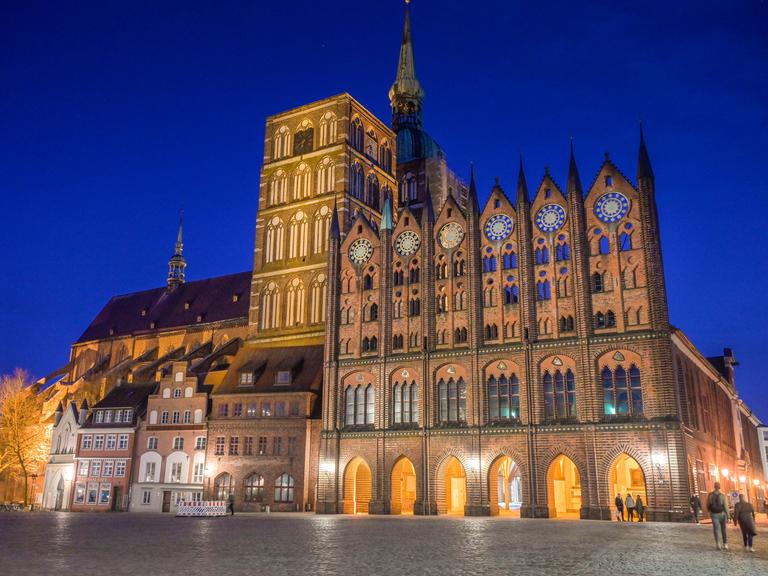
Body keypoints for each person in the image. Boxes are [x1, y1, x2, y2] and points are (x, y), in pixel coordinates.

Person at [707, 482, 729, 550]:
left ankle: (718, 544)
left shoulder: (710, 495)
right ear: (719, 487)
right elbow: (725, 506)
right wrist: (728, 515)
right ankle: (725, 544)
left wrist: (710, 512)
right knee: (723, 529)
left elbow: (708, 504)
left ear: (714, 487)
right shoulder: (723, 495)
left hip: (714, 514)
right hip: (722, 514)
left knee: (716, 529)